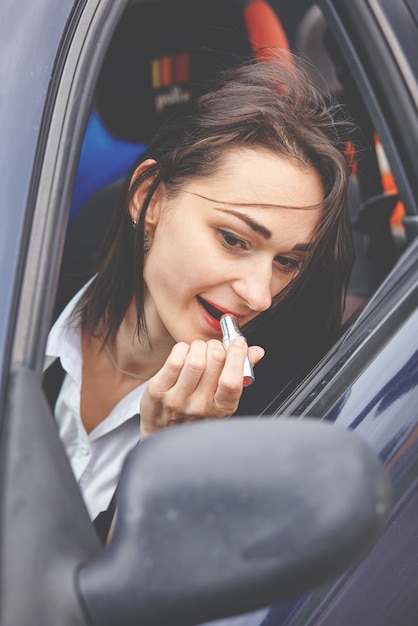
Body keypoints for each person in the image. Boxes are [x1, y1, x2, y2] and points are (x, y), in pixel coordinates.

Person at [44, 55, 354, 532]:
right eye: (233, 239)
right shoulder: (25, 302)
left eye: (287, 262)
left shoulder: (274, 420)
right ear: (149, 198)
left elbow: (148, 598)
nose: (259, 295)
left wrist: (169, 462)